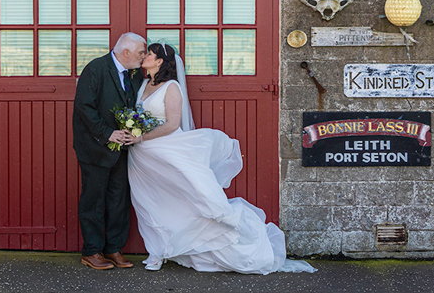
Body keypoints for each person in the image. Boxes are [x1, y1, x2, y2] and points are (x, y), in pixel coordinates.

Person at [122, 43, 316, 274]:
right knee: (148, 201)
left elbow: (173, 124)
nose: (145, 57)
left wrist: (141, 138)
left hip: (166, 150)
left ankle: (224, 243)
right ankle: (157, 251)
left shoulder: (172, 87)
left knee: (187, 199)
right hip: (141, 157)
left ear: (160, 61)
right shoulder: (143, 84)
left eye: (150, 54)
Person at [72, 32, 147, 270]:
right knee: (93, 200)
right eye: (140, 53)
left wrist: (134, 130)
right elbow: (84, 107)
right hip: (95, 148)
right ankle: (92, 251)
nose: (143, 57)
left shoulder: (135, 73)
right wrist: (107, 134)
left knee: (119, 200)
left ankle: (114, 248)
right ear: (126, 52)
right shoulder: (95, 69)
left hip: (123, 150)